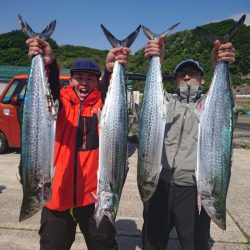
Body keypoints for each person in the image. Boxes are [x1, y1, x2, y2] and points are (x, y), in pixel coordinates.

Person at [26, 36, 131, 250]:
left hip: (94, 198)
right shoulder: (59, 104)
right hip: (57, 197)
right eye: (79, 77)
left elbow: (109, 92)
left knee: (104, 246)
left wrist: (111, 70)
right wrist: (48, 63)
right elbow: (50, 88)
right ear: (70, 79)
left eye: (90, 78)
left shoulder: (104, 105)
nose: (84, 83)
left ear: (98, 82)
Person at [142, 36, 236, 250]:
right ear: (174, 81)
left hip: (194, 188)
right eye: (181, 74)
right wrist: (157, 58)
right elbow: (152, 98)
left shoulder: (209, 105)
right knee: (152, 243)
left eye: (192, 73)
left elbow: (226, 100)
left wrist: (219, 65)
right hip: (160, 185)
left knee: (194, 244)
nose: (186, 77)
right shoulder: (164, 103)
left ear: (202, 79)